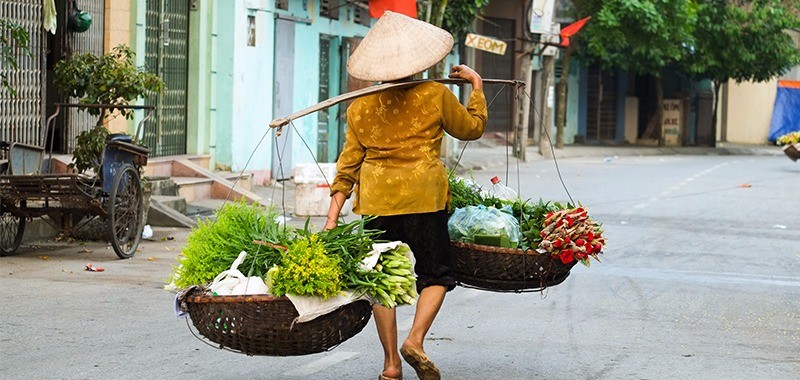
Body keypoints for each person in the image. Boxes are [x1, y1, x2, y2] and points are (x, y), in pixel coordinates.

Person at [323, 11, 487, 380]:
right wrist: (476, 87)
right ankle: (414, 340)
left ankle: (390, 365)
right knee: (436, 275)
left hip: (378, 202)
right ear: (418, 62)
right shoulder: (436, 94)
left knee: (380, 280)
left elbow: (347, 166)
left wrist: (332, 217)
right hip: (424, 199)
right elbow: (472, 129)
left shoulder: (359, 106)